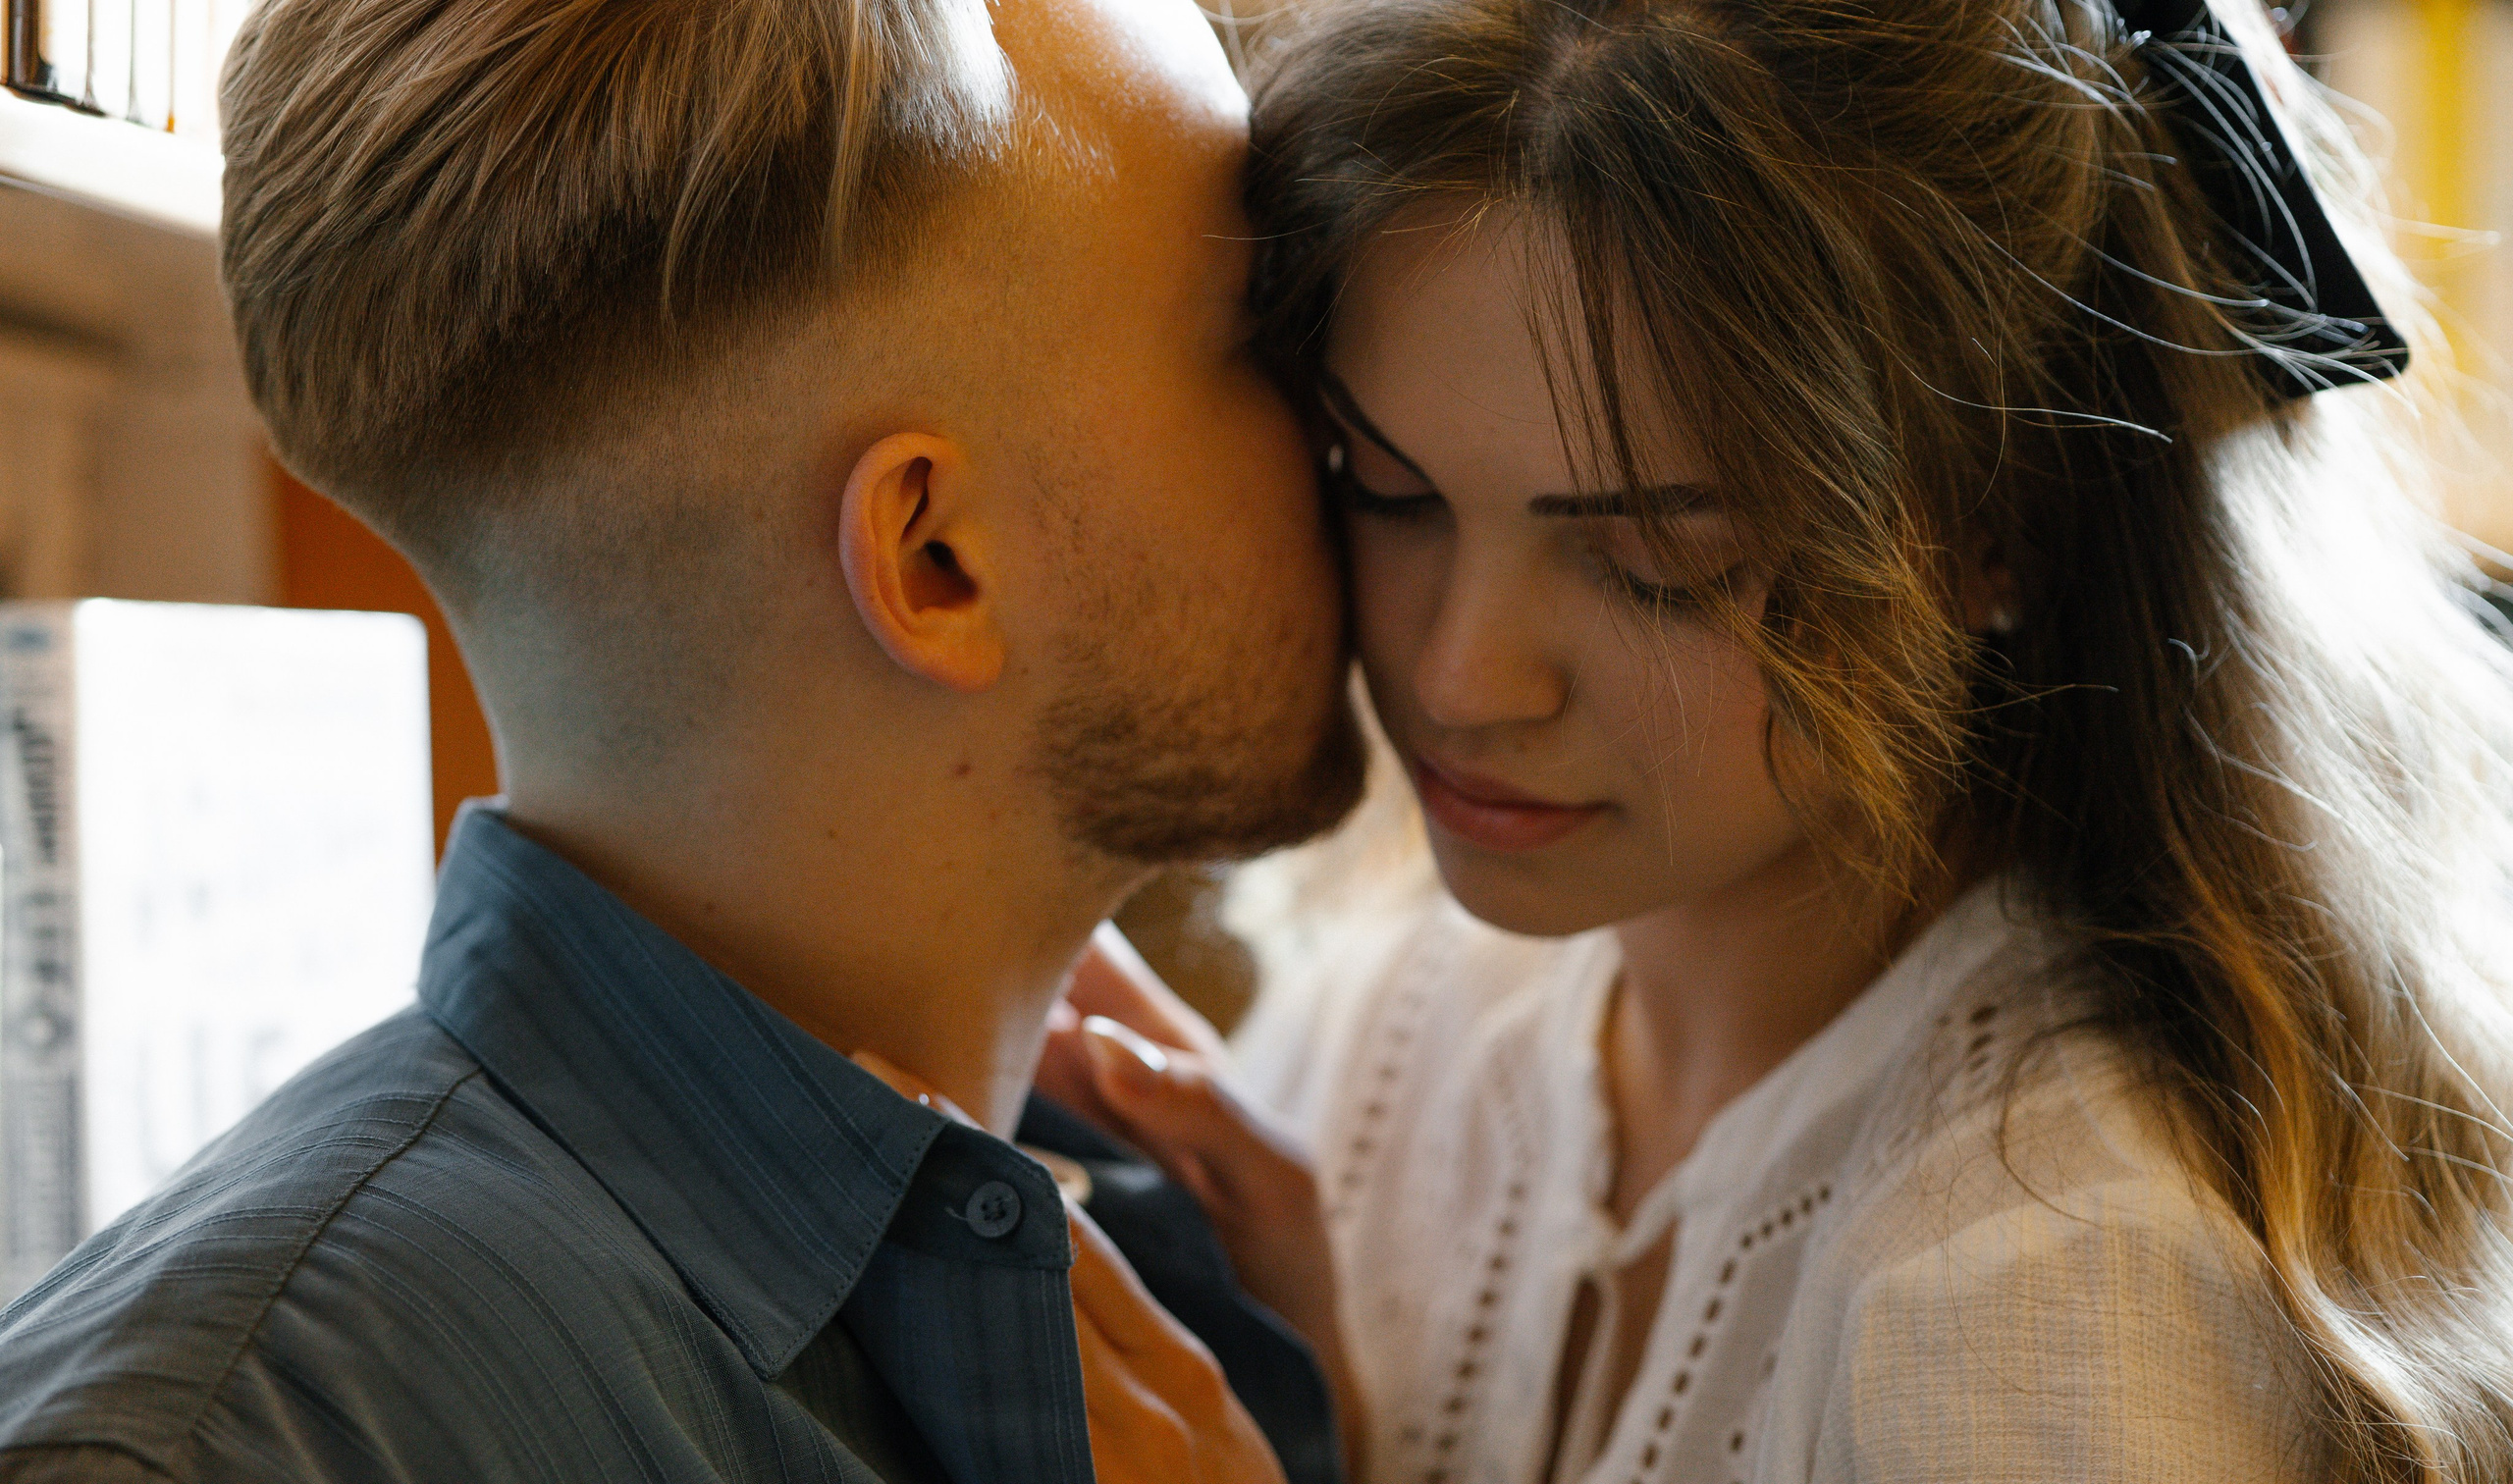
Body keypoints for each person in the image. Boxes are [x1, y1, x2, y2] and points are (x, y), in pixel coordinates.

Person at [1041, 0, 2513, 1480]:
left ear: (1997, 528)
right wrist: (1319, 1409)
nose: (1461, 674)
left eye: (1652, 558)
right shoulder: (1400, 1022)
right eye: (1387, 487)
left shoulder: (2047, 1279)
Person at [0, 0, 1367, 1478]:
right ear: (938, 560)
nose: (1352, 438)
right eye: (1258, 339)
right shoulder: (230, 1450)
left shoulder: (1169, 1252)